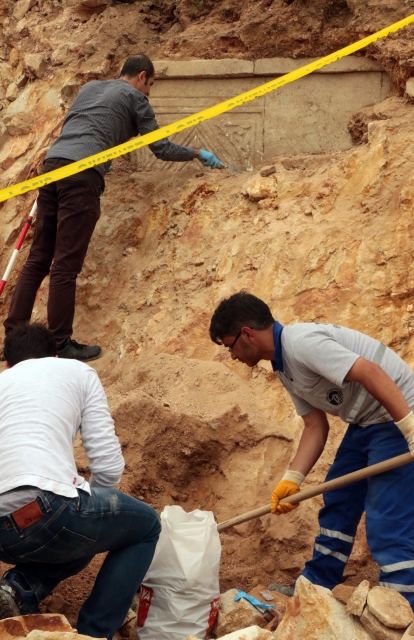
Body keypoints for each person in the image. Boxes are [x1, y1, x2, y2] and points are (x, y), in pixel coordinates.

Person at [4, 53, 224, 362]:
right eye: (150, 84)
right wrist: (197, 152)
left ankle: (12, 339)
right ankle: (61, 343)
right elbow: (161, 148)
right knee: (65, 265)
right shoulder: (136, 99)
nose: (149, 92)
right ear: (142, 75)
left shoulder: (89, 88)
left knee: (38, 259)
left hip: (53, 166)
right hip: (81, 176)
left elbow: (82, 126)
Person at [209, 291, 414, 607]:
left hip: (395, 415)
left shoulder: (301, 343)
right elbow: (315, 427)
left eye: (229, 346)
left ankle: (399, 606)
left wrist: (411, 429)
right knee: (338, 500)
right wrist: (292, 478)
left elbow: (370, 372)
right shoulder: (284, 365)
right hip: (366, 423)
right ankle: (316, 586)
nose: (232, 356)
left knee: (387, 516)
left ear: (247, 334)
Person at [0, 323, 161, 639]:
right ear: (56, 357)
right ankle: (95, 633)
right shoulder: (78, 372)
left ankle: (21, 588)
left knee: (83, 532)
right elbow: (108, 466)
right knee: (145, 527)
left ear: (7, 365)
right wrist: (92, 505)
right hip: (45, 506)